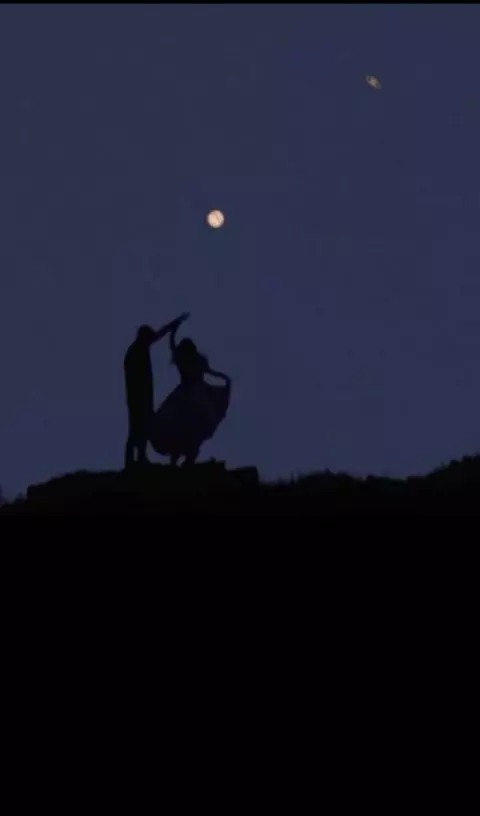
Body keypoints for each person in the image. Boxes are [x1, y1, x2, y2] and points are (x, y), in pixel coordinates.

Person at [149, 321, 232, 466]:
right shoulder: (185, 359)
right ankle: (179, 457)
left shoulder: (191, 359)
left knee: (193, 426)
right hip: (189, 394)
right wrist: (174, 330)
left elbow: (209, 371)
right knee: (181, 425)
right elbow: (173, 346)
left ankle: (184, 458)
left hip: (195, 394)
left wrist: (224, 378)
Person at [124, 313, 189, 469]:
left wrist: (172, 325)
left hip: (144, 397)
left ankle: (141, 457)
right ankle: (130, 461)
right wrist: (139, 398)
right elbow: (133, 380)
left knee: (144, 429)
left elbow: (157, 335)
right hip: (137, 399)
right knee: (135, 430)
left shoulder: (141, 348)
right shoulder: (134, 353)